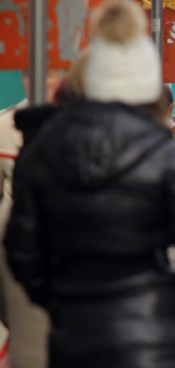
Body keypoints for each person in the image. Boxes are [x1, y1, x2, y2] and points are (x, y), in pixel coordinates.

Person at [4, 0, 175, 368]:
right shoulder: (165, 152)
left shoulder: (45, 147)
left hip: (73, 336)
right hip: (158, 337)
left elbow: (22, 250)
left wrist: (59, 299)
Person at [0, 70, 64, 368]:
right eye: (29, 72)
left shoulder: (93, 122)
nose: (41, 79)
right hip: (22, 250)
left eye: (53, 71)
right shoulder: (5, 125)